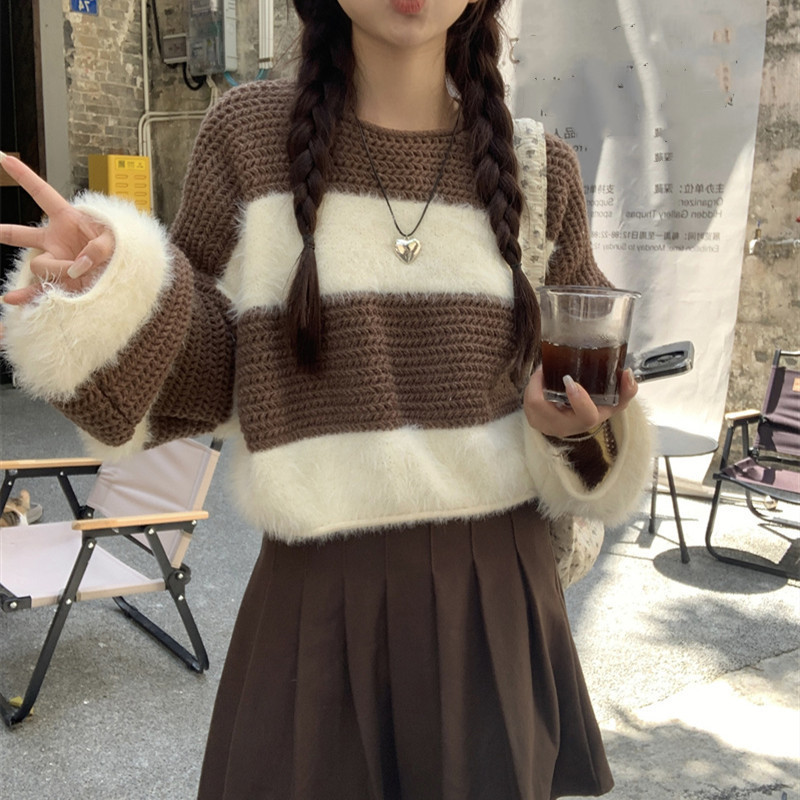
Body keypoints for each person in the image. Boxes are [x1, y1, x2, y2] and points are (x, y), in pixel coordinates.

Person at [0, 0, 654, 796]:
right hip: (317, 600)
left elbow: (590, 411)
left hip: (492, 600)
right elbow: (207, 371)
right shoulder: (249, 137)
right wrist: (110, 292)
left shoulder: (538, 170)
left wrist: (576, 431)